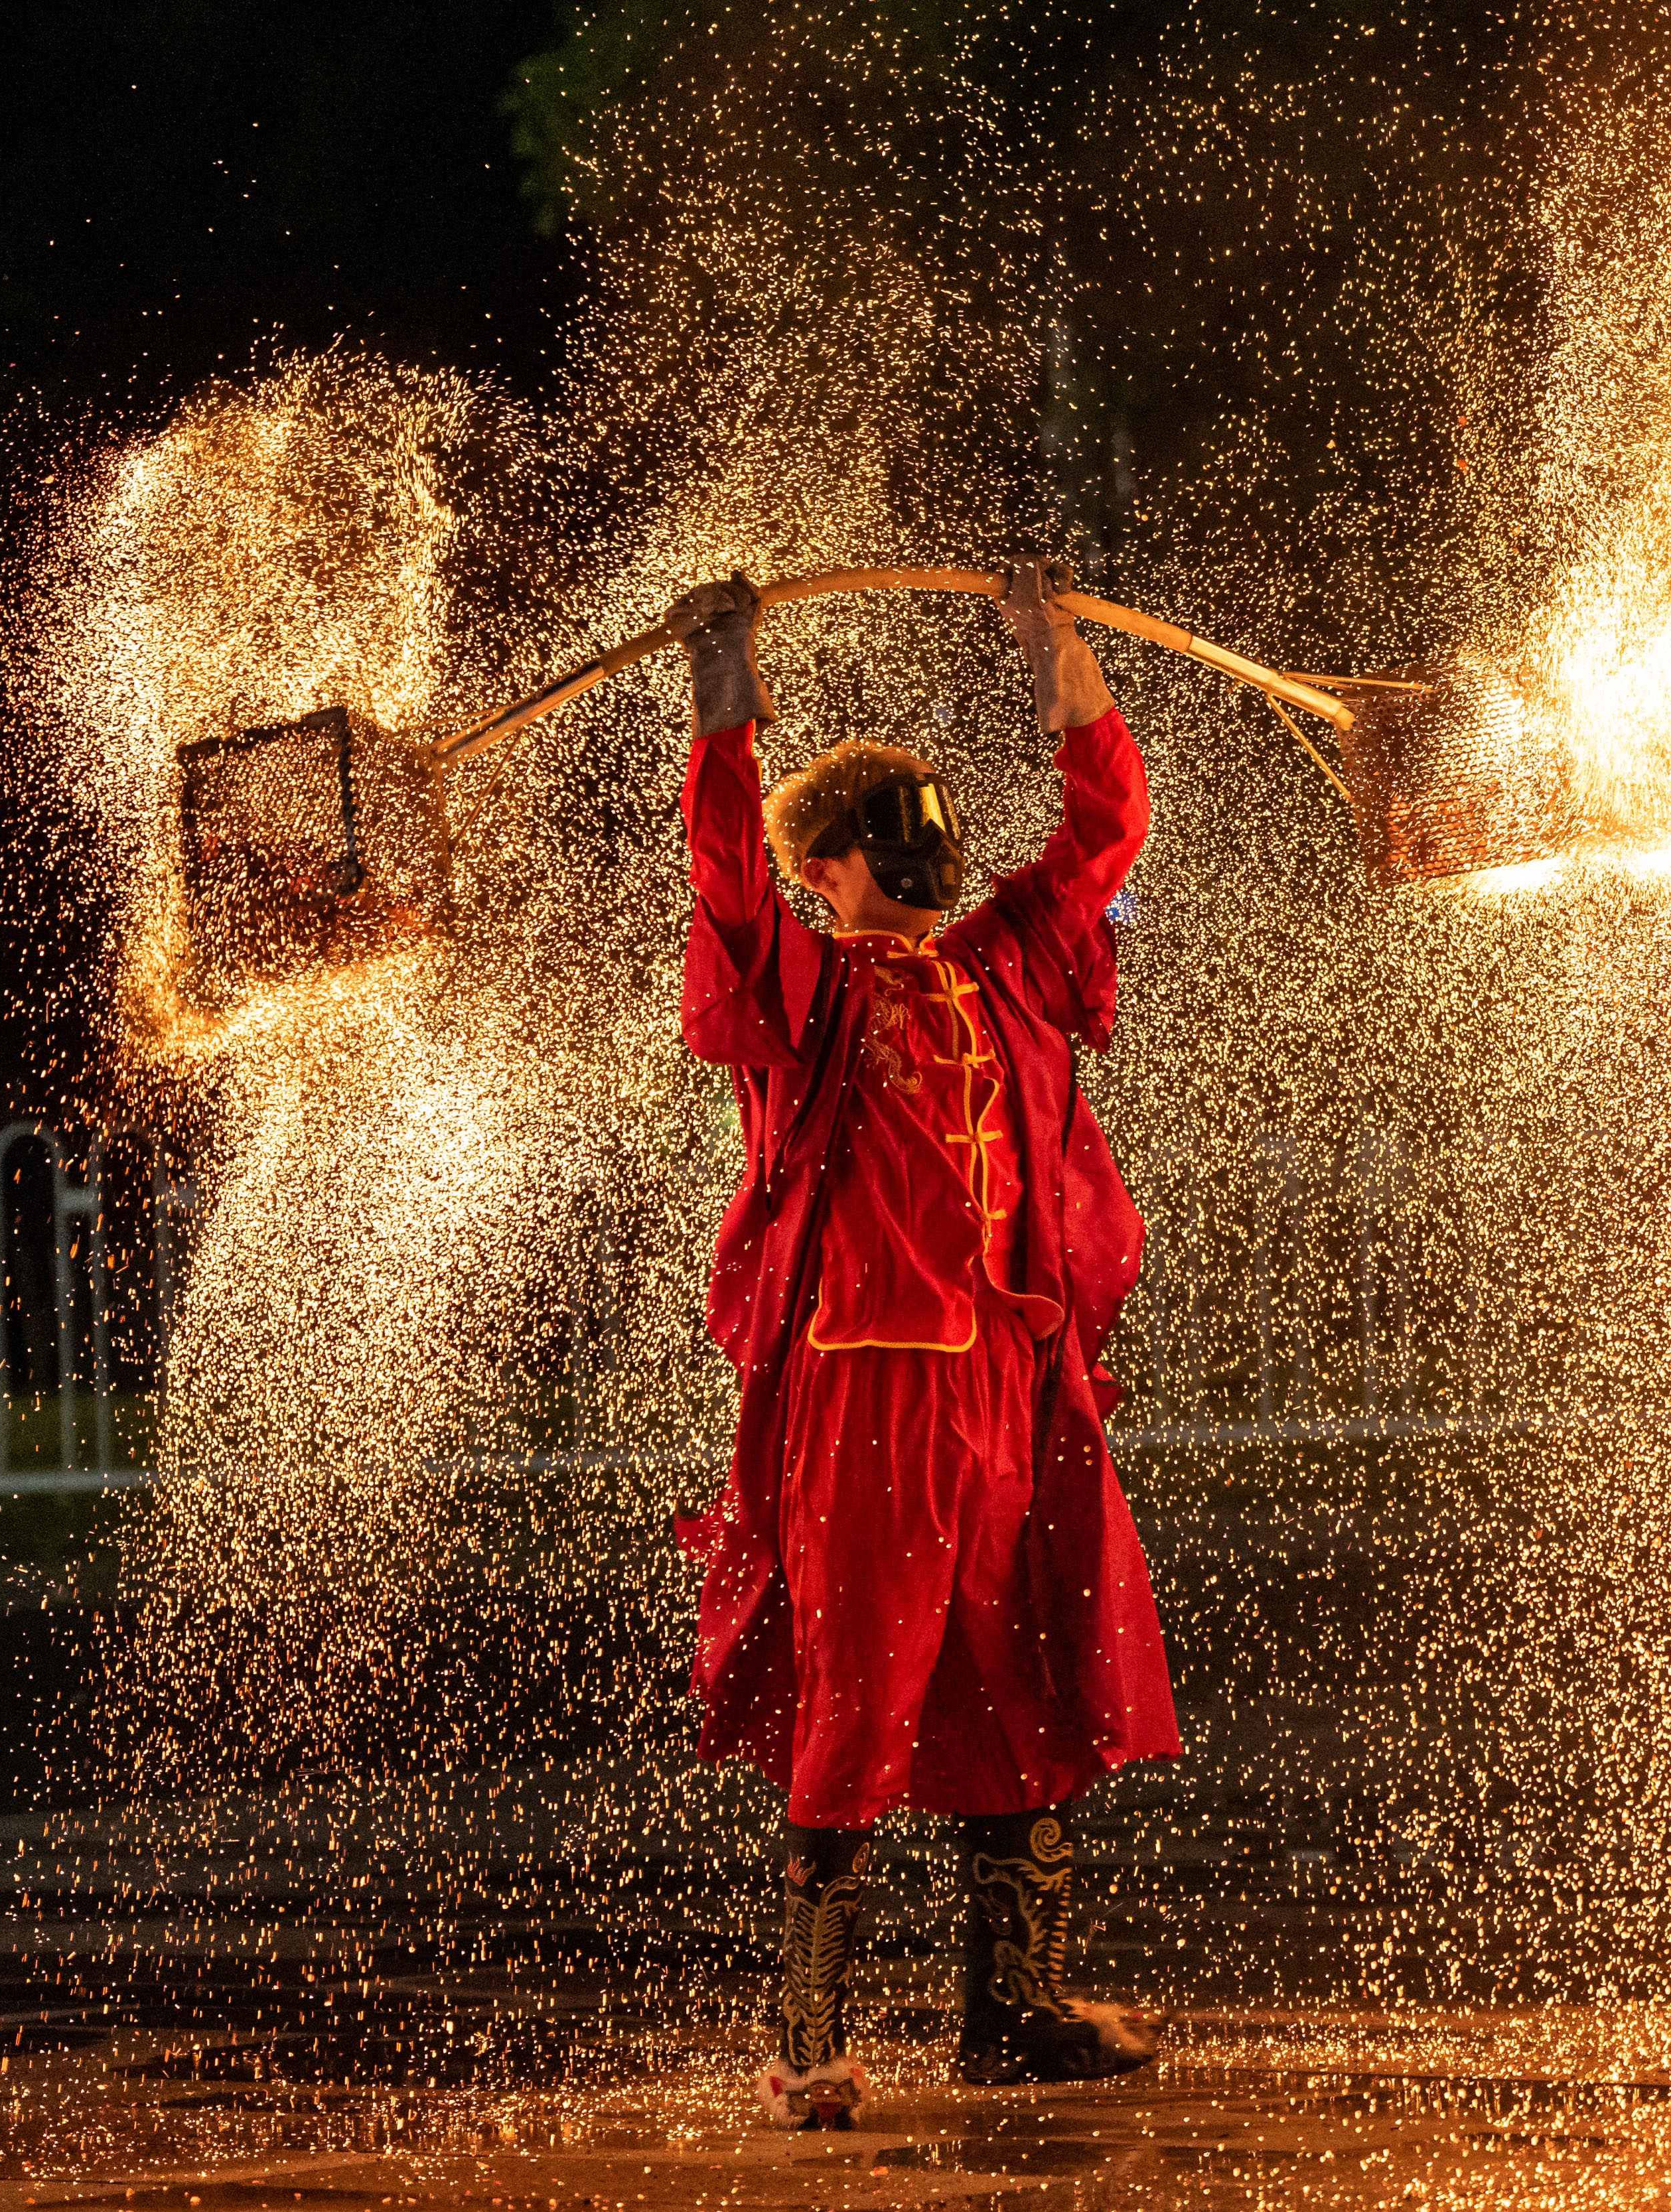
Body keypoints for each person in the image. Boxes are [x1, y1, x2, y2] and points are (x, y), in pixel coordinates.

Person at [664, 559, 1183, 2131]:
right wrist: (723, 677)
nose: (925, 841)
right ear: (829, 861)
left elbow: (1105, 827)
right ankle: (808, 2046)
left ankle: (1011, 2014)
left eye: (925, 812)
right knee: (861, 1689)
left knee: (1030, 1666)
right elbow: (724, 878)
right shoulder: (809, 982)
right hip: (870, 1383)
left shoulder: (1004, 959)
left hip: (1012, 1382)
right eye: (884, 820)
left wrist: (1059, 651)